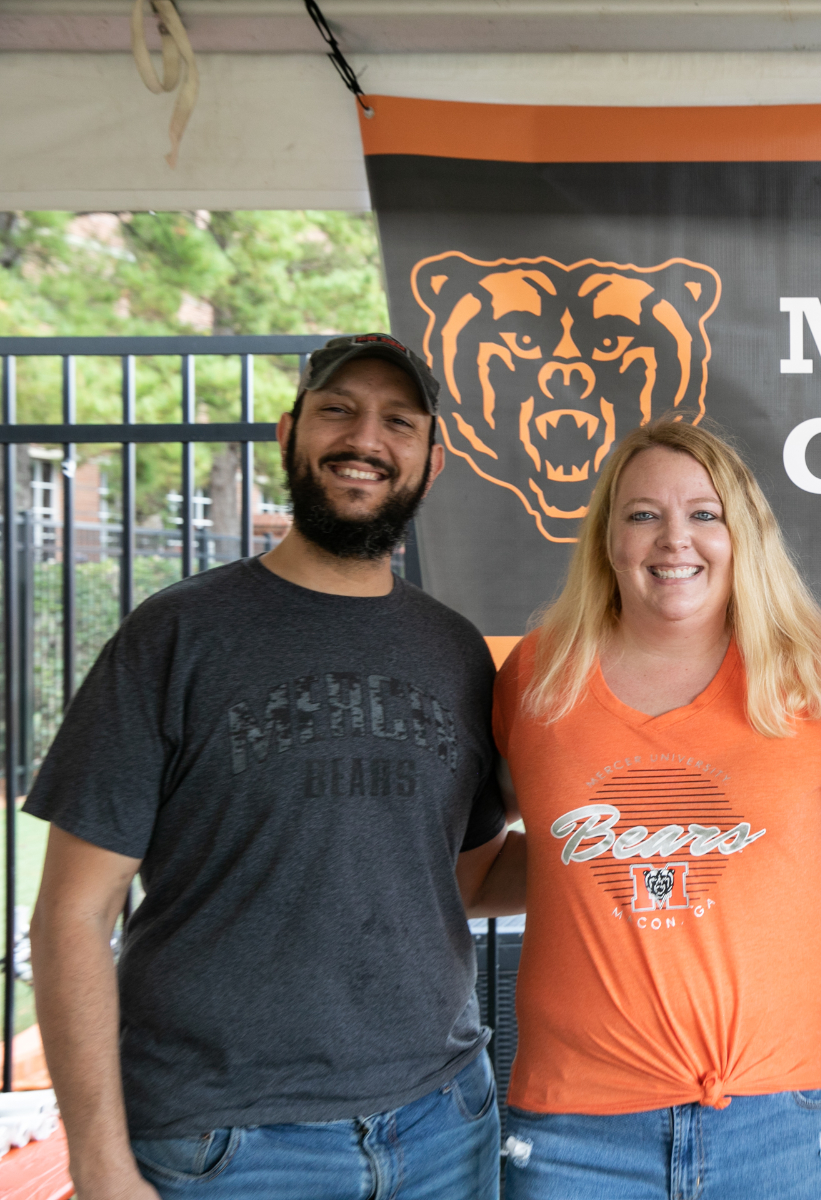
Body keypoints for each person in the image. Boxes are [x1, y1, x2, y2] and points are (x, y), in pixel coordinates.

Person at [29, 333, 508, 1200]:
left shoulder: (457, 653)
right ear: (288, 434)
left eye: (398, 421)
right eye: (338, 411)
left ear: (432, 463)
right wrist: (98, 1158)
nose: (366, 439)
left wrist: (663, 849)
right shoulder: (176, 637)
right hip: (226, 1144)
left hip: (443, 1125)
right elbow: (72, 912)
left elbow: (466, 881)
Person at [471, 420, 821, 1199]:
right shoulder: (536, 678)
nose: (675, 540)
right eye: (643, 515)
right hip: (578, 1130)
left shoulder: (816, 676)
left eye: (704, 514)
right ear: (608, 538)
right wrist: (609, 857)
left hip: (785, 1113)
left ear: (745, 533)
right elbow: (482, 863)